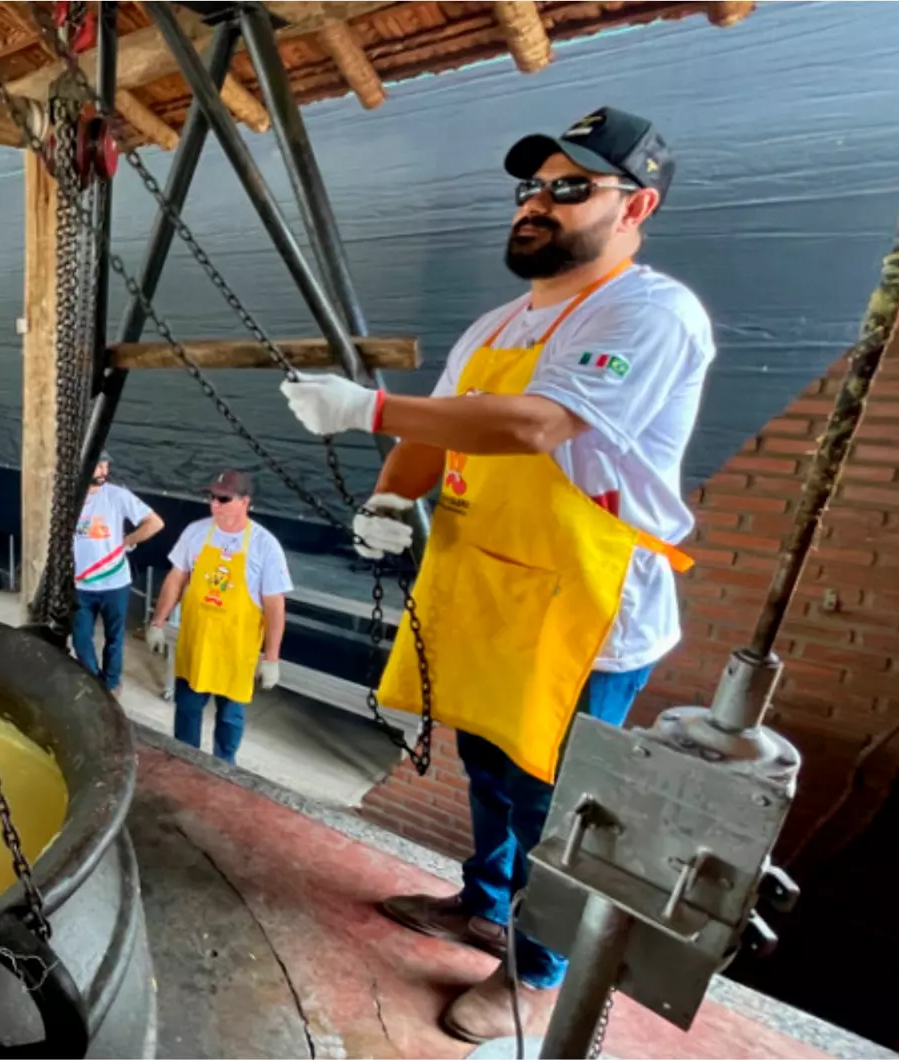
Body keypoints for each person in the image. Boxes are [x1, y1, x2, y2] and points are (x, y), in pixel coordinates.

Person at [276, 108, 709, 1041]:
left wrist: (367, 406)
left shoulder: (650, 312)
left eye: (568, 189)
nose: (537, 206)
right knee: (487, 764)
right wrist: (391, 501)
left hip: (585, 610)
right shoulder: (496, 323)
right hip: (489, 590)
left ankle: (541, 971)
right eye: (531, 188)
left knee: (554, 796)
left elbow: (534, 426)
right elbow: (449, 420)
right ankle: (485, 905)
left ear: (637, 204)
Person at [144, 470, 290, 766]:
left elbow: (275, 606)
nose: (215, 504)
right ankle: (185, 763)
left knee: (230, 717)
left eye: (223, 498)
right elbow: (176, 578)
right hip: (197, 644)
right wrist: (157, 622)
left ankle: (225, 769)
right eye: (211, 497)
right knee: (186, 709)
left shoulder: (265, 545)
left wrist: (271, 658)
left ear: (245, 502)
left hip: (236, 651)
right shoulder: (196, 532)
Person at [70, 453, 163, 694]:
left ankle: (111, 685)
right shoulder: (69, 497)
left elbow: (154, 523)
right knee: (81, 639)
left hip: (114, 583)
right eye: (96, 465)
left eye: (105, 465)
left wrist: (128, 541)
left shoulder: (117, 495)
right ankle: (93, 683)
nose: (102, 470)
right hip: (81, 584)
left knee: (114, 639)